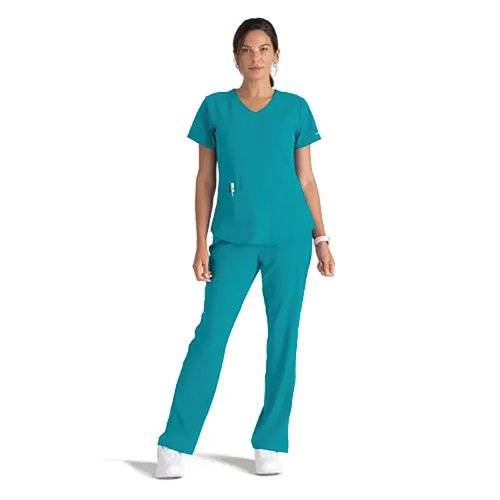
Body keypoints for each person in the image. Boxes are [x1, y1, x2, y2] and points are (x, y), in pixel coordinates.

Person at [155, 17, 335, 479]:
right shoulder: (215, 108)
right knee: (210, 336)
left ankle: (270, 442)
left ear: (276, 55)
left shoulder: (296, 109)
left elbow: (306, 178)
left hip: (289, 240)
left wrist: (321, 238)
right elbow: (205, 180)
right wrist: (200, 243)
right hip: (233, 241)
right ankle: (175, 442)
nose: (255, 57)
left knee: (284, 338)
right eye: (247, 49)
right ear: (235, 57)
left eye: (263, 49)